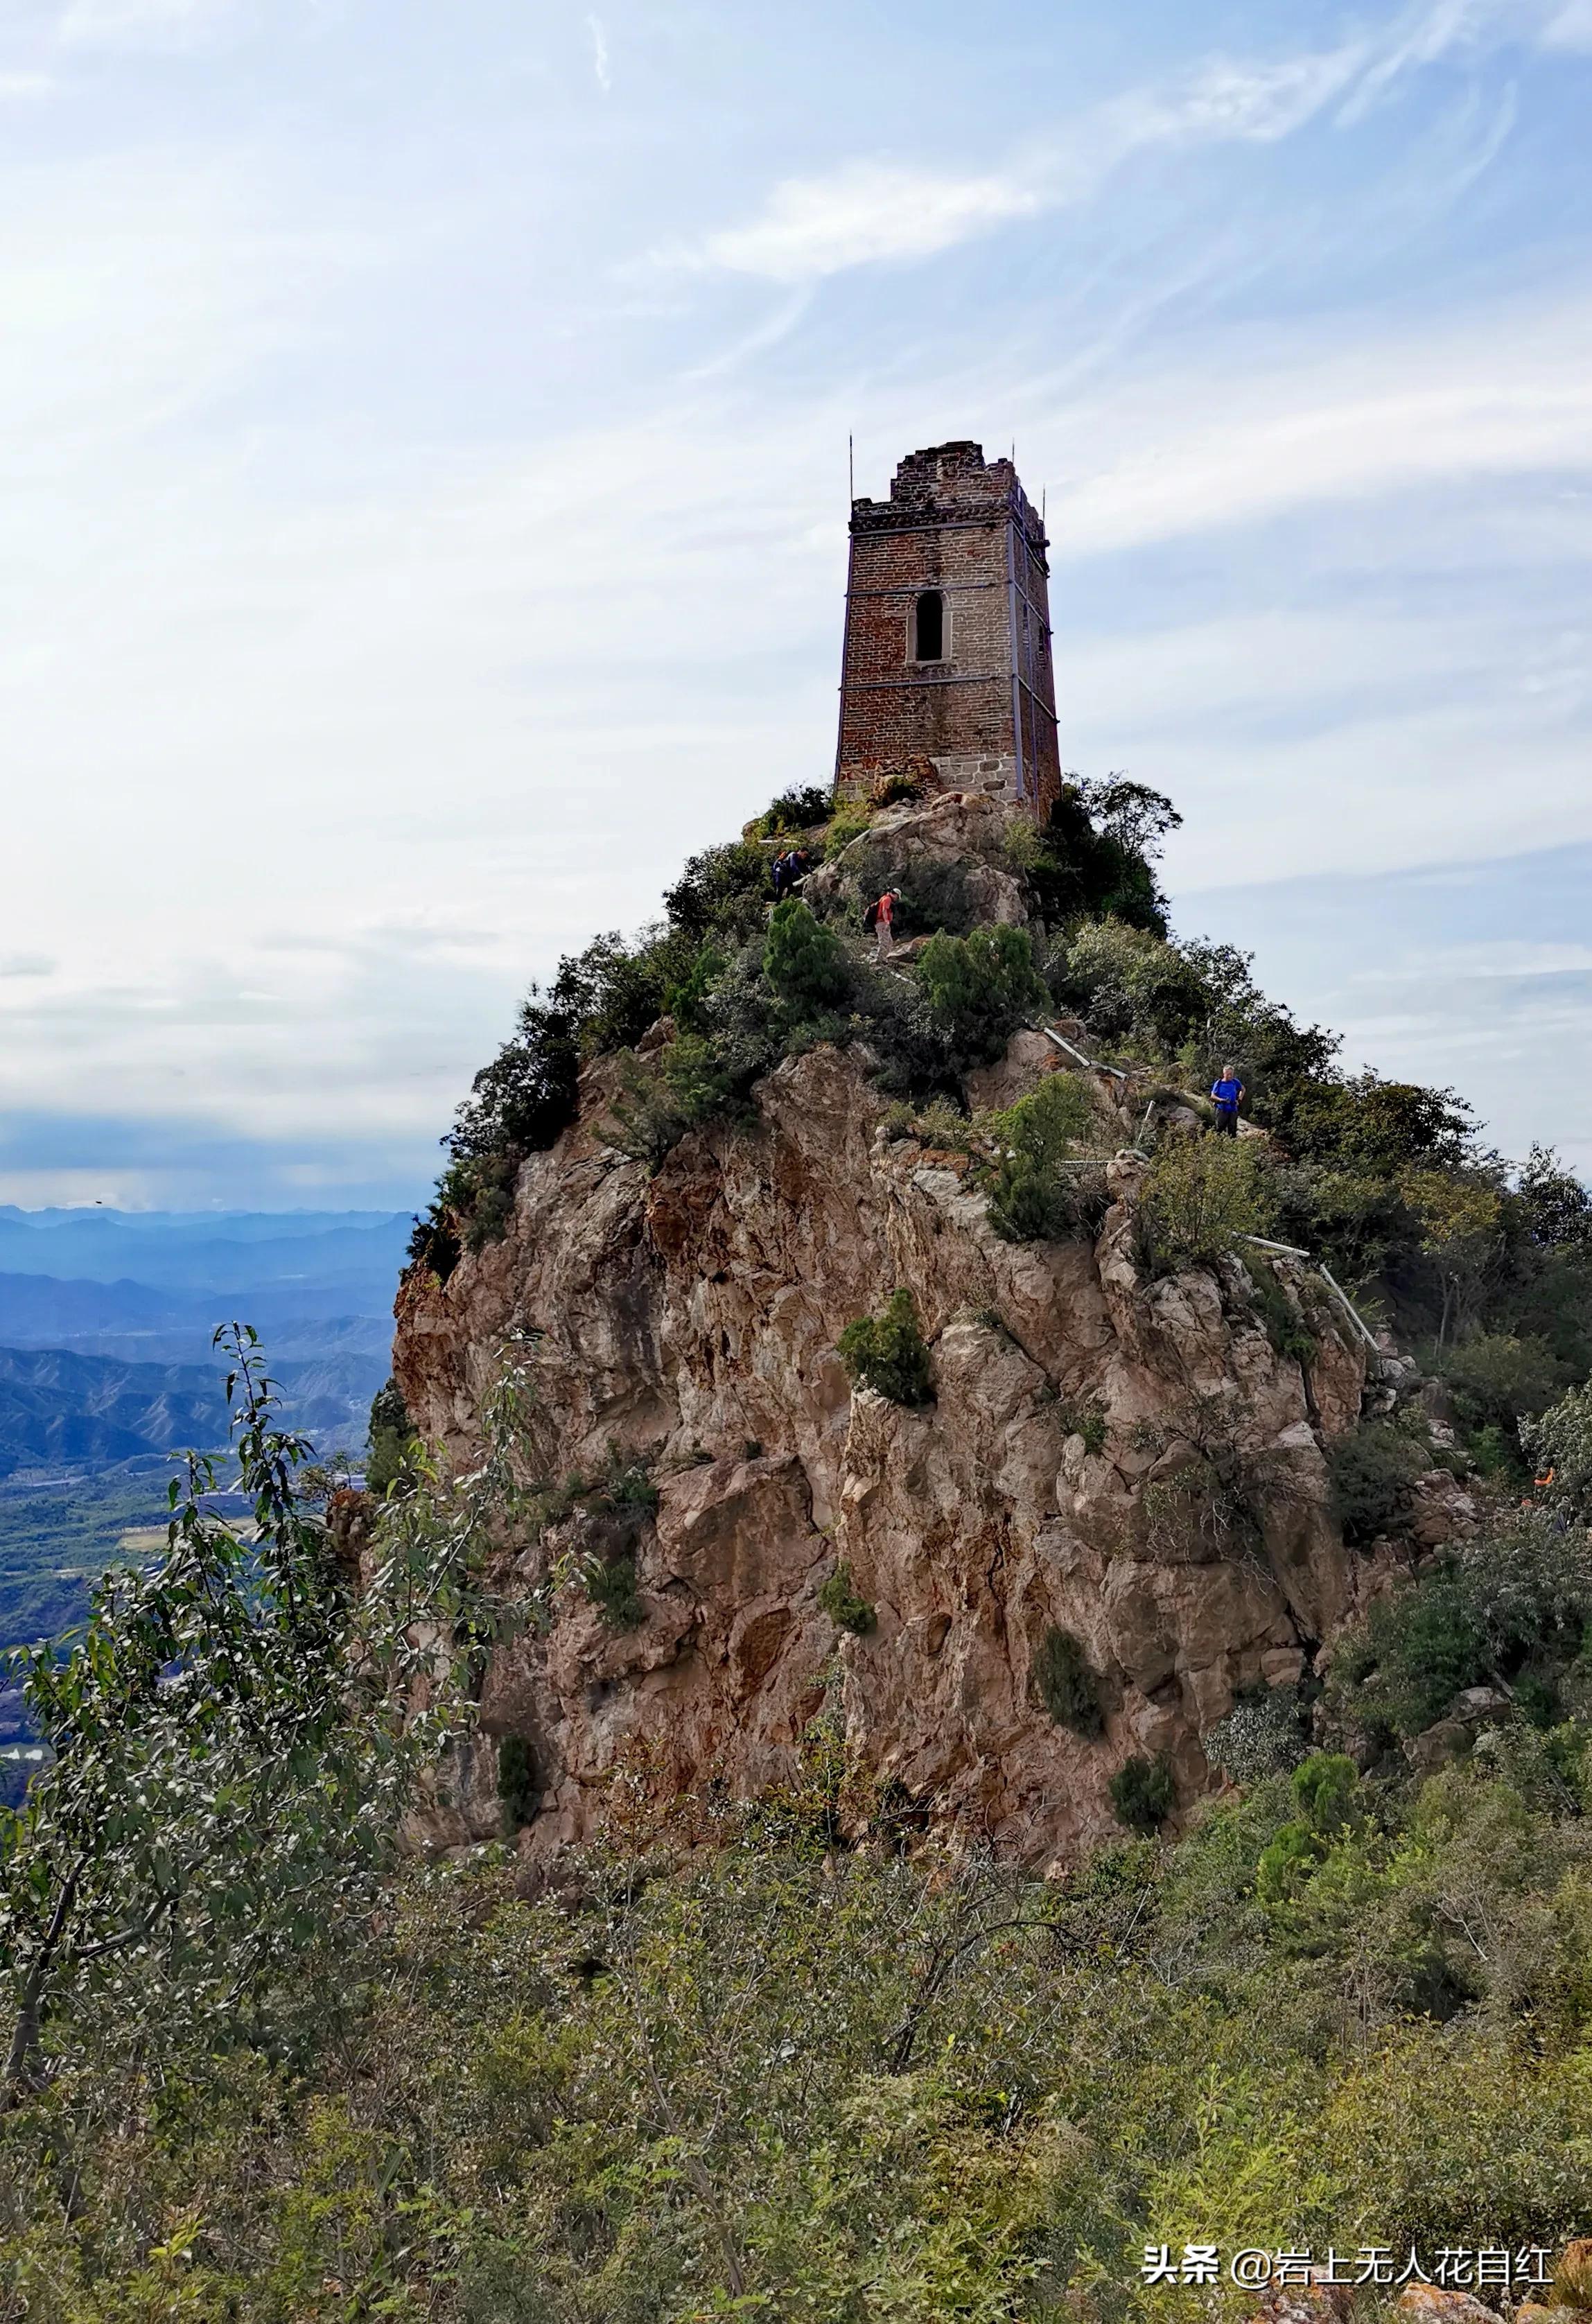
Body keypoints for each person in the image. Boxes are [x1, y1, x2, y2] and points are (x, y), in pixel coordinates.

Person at [1210, 1062, 1245, 1135]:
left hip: (1233, 1109)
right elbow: (1212, 1096)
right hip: (1222, 1109)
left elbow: (1243, 1089)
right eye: (1228, 1074)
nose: (1230, 1076)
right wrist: (1221, 1100)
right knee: (1220, 1130)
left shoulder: (1235, 1082)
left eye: (1231, 1074)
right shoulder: (1219, 1083)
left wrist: (1239, 1099)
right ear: (1224, 1074)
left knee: (1232, 1130)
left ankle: (1232, 1142)